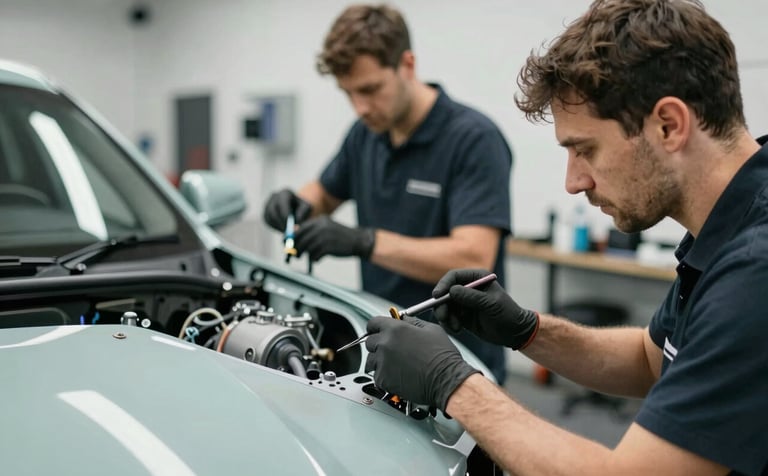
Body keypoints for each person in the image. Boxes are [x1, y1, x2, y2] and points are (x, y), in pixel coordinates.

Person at [363, 0, 768, 474]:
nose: (573, 182)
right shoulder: (729, 223)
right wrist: (526, 329)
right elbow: (649, 359)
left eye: (585, 149)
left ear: (669, 125)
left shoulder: (755, 270)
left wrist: (452, 384)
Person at [262, 4, 513, 384]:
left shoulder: (473, 139)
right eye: (348, 94)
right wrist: (293, 205)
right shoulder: (364, 135)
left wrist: (363, 241)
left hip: (462, 359)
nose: (360, 107)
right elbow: (321, 195)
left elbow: (474, 256)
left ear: (407, 65)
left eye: (370, 90)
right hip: (390, 347)